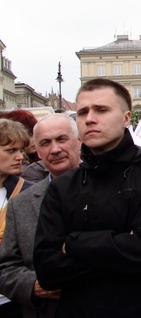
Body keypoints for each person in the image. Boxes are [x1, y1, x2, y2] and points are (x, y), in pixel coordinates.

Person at [33, 78, 141, 317]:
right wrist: (124, 246)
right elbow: (48, 270)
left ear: (125, 118)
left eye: (101, 110)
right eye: (82, 112)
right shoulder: (62, 187)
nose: (90, 118)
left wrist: (73, 243)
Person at [0, 114, 80, 318]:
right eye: (45, 143)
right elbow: (6, 268)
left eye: (61, 139)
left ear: (79, 141)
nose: (54, 149)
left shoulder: (113, 190)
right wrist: (34, 285)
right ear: (38, 149)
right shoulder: (21, 204)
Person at [0, 119, 34, 317]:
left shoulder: (30, 192)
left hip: (13, 301)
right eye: (11, 150)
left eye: (21, 150)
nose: (20, 157)